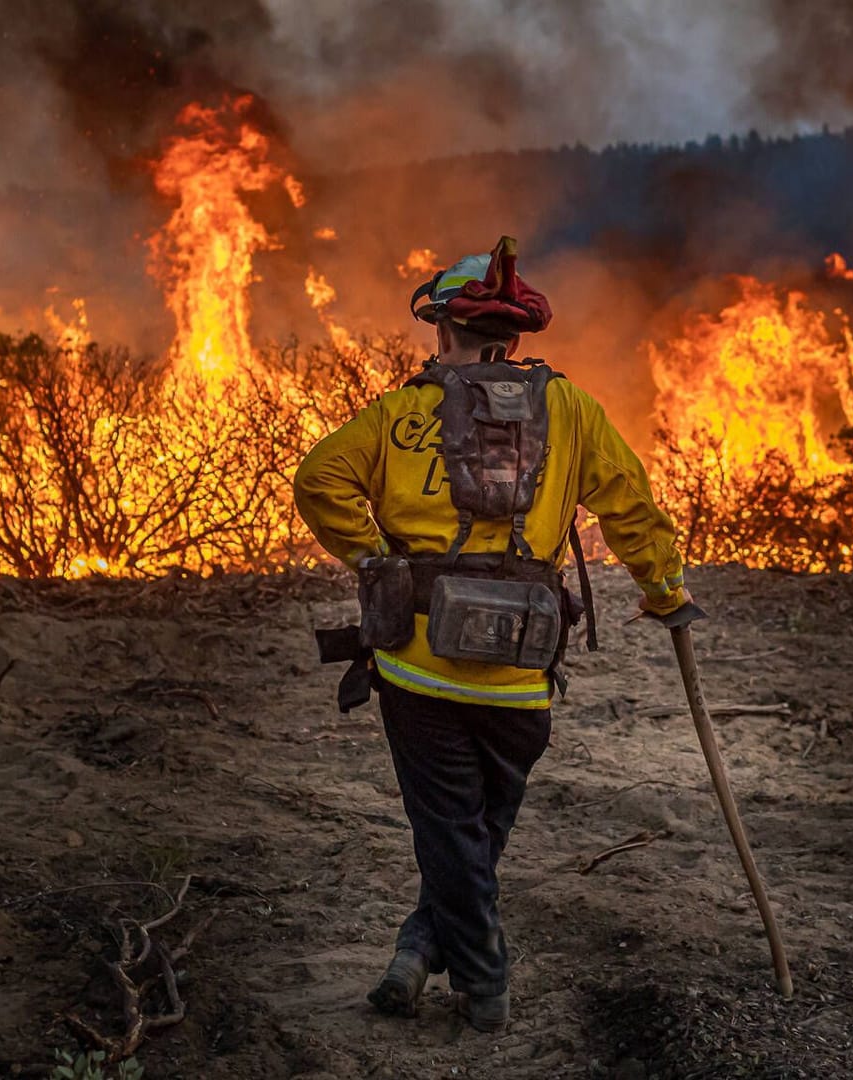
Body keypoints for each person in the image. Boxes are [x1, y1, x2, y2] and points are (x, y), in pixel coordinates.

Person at [293, 237, 694, 1033]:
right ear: (511, 340)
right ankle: (418, 951)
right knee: (478, 827)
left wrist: (375, 558)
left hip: (418, 670)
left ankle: (482, 980)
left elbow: (318, 478)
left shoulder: (401, 413)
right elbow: (630, 507)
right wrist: (667, 592)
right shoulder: (570, 410)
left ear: (444, 331)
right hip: (521, 673)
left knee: (449, 828)